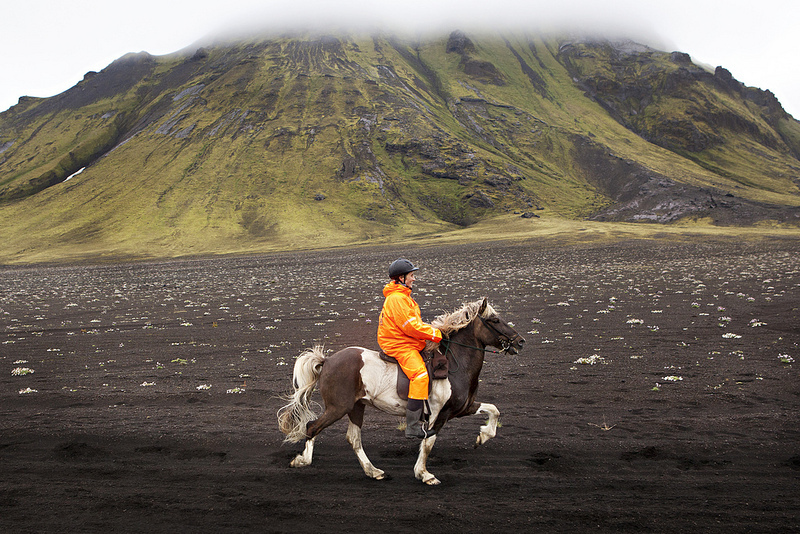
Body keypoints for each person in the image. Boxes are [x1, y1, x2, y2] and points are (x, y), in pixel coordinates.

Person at [377, 258, 442, 439]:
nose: (414, 279)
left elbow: (414, 325)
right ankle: (412, 426)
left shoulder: (403, 297)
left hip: (406, 341)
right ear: (401, 278)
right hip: (399, 344)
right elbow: (411, 327)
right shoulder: (398, 299)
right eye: (412, 276)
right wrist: (436, 334)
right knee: (420, 376)